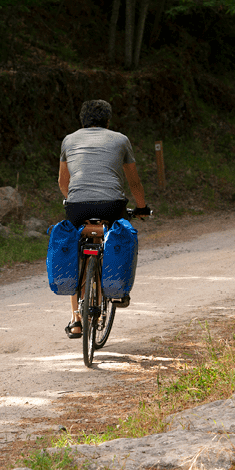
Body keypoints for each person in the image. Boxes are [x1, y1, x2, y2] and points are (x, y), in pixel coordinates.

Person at [58, 99, 151, 339]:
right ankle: (117, 291)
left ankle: (75, 320)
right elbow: (134, 182)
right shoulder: (120, 140)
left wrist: (73, 200)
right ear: (108, 121)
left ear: (82, 120)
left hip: (77, 206)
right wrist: (142, 207)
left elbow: (62, 182)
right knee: (118, 237)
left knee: (76, 251)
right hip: (112, 205)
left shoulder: (69, 140)